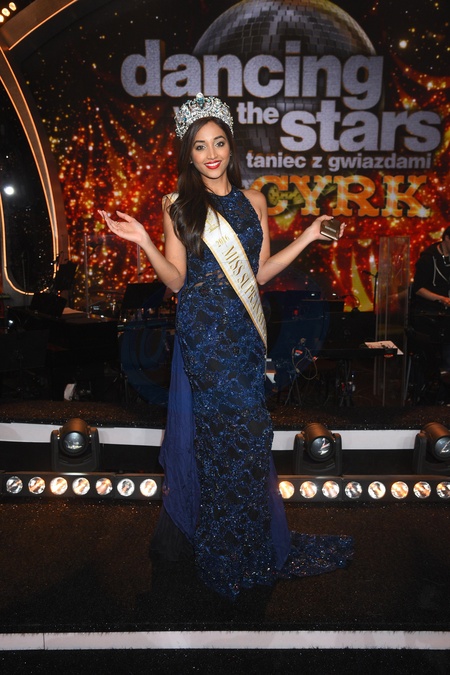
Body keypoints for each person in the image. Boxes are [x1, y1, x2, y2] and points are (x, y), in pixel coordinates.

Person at [99, 93, 353, 599]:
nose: (211, 154)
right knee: (220, 442)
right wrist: (145, 242)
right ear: (188, 154)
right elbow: (176, 280)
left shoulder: (254, 201)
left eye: (218, 143)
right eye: (200, 146)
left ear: (231, 147)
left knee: (251, 438)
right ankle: (223, 551)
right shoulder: (177, 204)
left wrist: (306, 236)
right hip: (204, 338)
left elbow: (258, 274)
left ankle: (250, 544)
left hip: (243, 336)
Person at [410, 226, 450, 399]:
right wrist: (441, 299)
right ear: (446, 239)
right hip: (428, 313)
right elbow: (418, 289)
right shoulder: (428, 259)